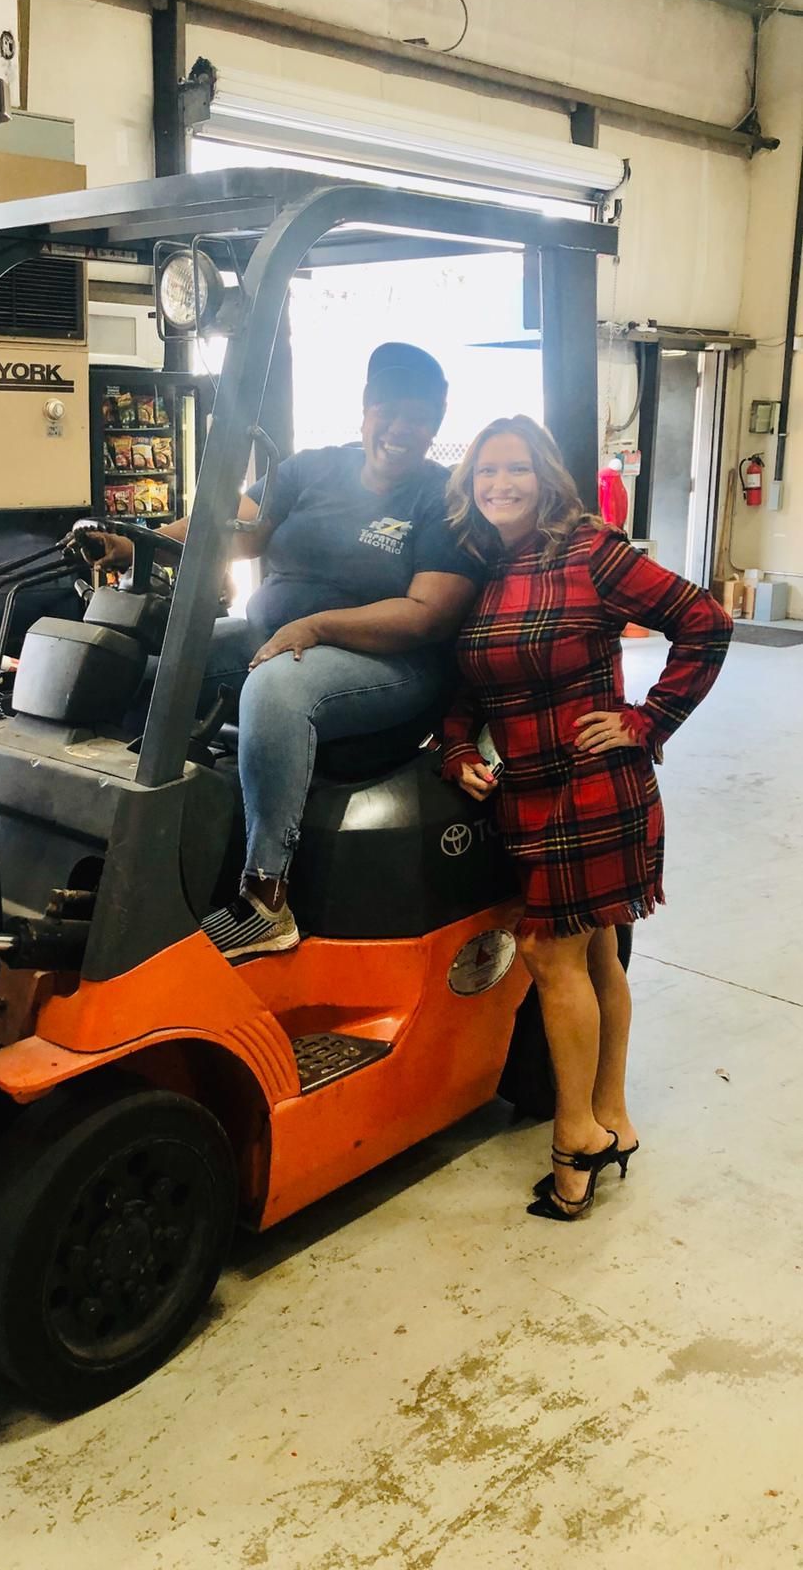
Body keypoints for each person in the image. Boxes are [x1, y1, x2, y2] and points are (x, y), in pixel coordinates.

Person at [79, 344, 483, 958]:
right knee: (146, 668)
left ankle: (265, 896)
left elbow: (427, 615)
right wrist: (139, 544)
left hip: (390, 666)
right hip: (281, 639)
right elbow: (231, 527)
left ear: (437, 424)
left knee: (276, 687)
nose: (403, 428)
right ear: (366, 410)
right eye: (390, 410)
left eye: (421, 417)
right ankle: (134, 857)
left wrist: (317, 627)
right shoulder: (311, 470)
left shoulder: (443, 499)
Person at [440, 415, 731, 1221]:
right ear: (468, 486)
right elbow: (471, 682)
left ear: (546, 478)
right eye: (485, 473)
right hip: (526, 791)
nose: (499, 485)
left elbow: (705, 620)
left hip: (597, 788)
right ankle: (615, 1117)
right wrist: (457, 746)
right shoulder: (487, 567)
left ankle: (576, 1141)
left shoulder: (590, 553)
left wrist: (650, 719)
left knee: (547, 952)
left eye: (515, 470)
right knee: (598, 949)